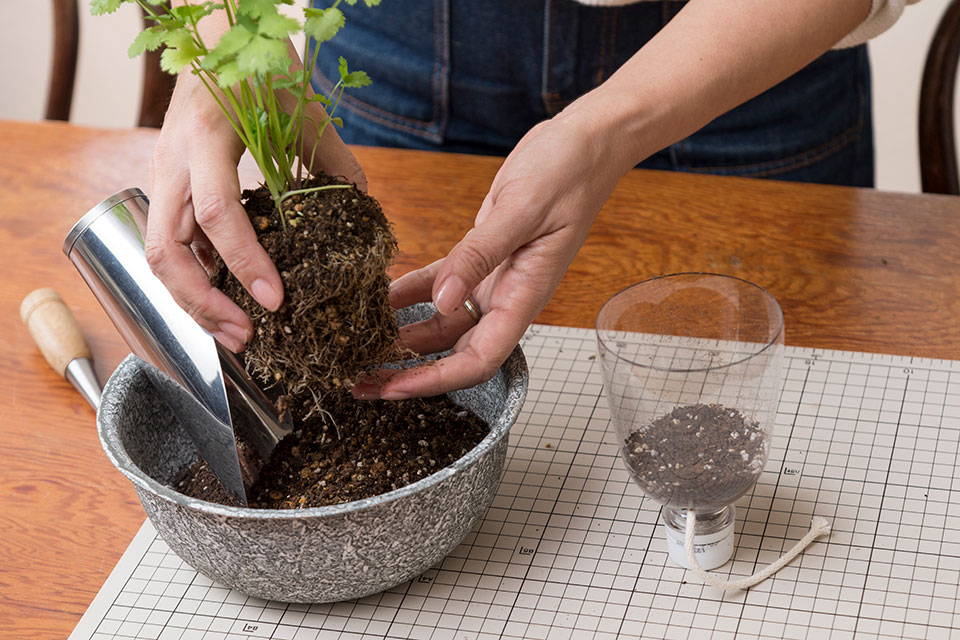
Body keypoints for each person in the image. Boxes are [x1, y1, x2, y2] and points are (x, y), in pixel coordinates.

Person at [146, 0, 918, 400]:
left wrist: (608, 129)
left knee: (788, 398)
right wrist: (224, 27)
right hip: (404, 41)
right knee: (392, 334)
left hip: (745, 53)